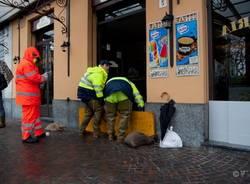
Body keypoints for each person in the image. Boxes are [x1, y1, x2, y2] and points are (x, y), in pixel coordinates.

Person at [16, 47, 48, 143]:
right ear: (32, 55)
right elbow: (33, 78)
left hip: (30, 97)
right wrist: (43, 78)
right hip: (28, 98)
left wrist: (41, 78)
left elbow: (33, 78)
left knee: (35, 115)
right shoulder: (26, 64)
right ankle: (26, 136)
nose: (36, 60)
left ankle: (39, 132)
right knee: (29, 117)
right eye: (35, 57)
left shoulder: (29, 64)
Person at [104, 76, 144, 143]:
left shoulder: (109, 81)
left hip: (110, 96)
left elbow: (104, 91)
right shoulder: (129, 82)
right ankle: (120, 137)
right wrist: (141, 104)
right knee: (124, 115)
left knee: (110, 116)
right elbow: (136, 93)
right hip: (124, 96)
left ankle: (110, 136)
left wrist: (103, 102)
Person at [77, 60, 110, 138]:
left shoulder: (96, 71)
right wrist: (101, 99)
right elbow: (98, 87)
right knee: (98, 110)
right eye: (108, 65)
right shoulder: (99, 73)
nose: (109, 67)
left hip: (85, 94)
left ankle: (81, 131)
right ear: (103, 65)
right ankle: (96, 133)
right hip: (89, 94)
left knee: (89, 113)